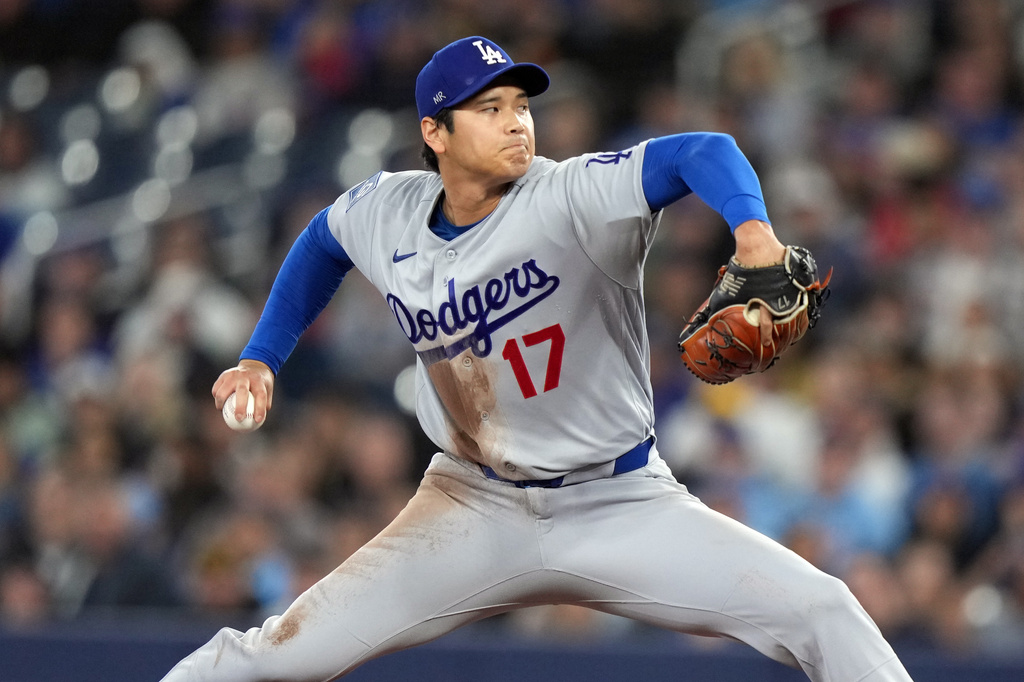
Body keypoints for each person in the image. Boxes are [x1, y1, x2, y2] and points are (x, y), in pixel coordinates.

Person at [161, 36, 913, 682]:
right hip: (469, 507)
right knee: (275, 658)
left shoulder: (572, 195)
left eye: (521, 104)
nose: (517, 121)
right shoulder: (385, 210)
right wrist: (262, 357)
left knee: (824, 610)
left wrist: (753, 233)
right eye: (488, 109)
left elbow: (703, 151)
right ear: (436, 132)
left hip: (618, 504)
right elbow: (324, 242)